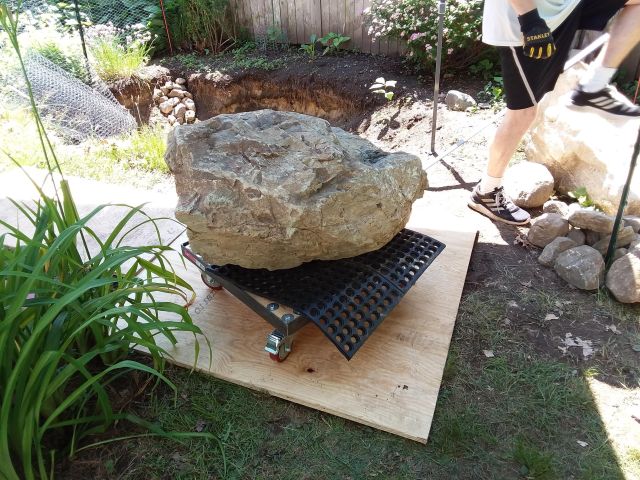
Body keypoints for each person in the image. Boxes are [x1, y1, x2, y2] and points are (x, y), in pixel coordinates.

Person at [469, 0, 640, 225]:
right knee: (523, 114)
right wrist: (530, 20)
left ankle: (594, 85)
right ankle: (487, 192)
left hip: (562, 8)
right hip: (524, 20)